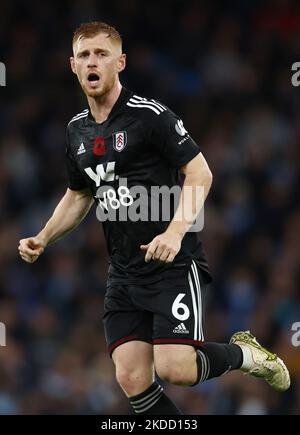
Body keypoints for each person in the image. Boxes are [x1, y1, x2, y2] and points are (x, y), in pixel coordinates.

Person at [18, 21, 290, 415]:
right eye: (84, 55)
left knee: (175, 368)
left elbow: (200, 173)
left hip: (172, 264)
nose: (92, 61)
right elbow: (80, 193)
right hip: (124, 270)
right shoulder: (76, 131)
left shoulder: (149, 117)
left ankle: (246, 355)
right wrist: (44, 237)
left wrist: (175, 233)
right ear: (72, 66)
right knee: (130, 376)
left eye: (102, 54)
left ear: (120, 62)